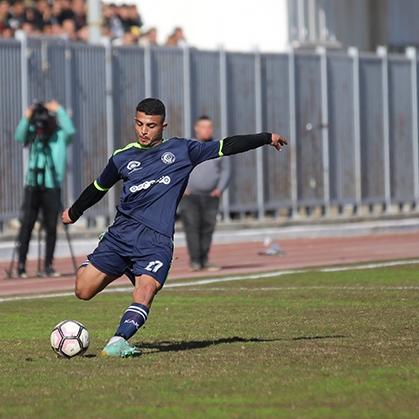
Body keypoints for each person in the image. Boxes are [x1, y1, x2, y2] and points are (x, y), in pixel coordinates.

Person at [61, 98, 287, 357]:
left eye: (151, 126)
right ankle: (110, 259)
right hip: (121, 235)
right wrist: (74, 212)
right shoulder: (122, 157)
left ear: (163, 126)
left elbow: (227, 146)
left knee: (146, 290)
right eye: (139, 124)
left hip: (156, 240)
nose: (144, 131)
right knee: (83, 291)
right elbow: (99, 187)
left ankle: (118, 341)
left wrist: (265, 137)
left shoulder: (183, 150)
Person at [14, 100, 76, 278]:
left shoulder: (60, 135)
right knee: (27, 225)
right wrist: (27, 118)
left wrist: (59, 110)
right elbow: (19, 136)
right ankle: (21, 265)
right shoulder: (34, 133)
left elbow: (71, 131)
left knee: (51, 227)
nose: (45, 122)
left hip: (52, 186)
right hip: (33, 184)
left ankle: (48, 265)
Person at [180, 116, 230, 271]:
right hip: (190, 196)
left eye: (210, 127)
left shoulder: (218, 147)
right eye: (204, 127)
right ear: (196, 128)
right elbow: (177, 168)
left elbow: (226, 170)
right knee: (192, 227)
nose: (207, 130)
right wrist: (181, 187)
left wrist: (219, 189)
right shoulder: (188, 147)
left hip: (211, 196)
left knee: (208, 228)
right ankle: (195, 260)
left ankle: (204, 259)